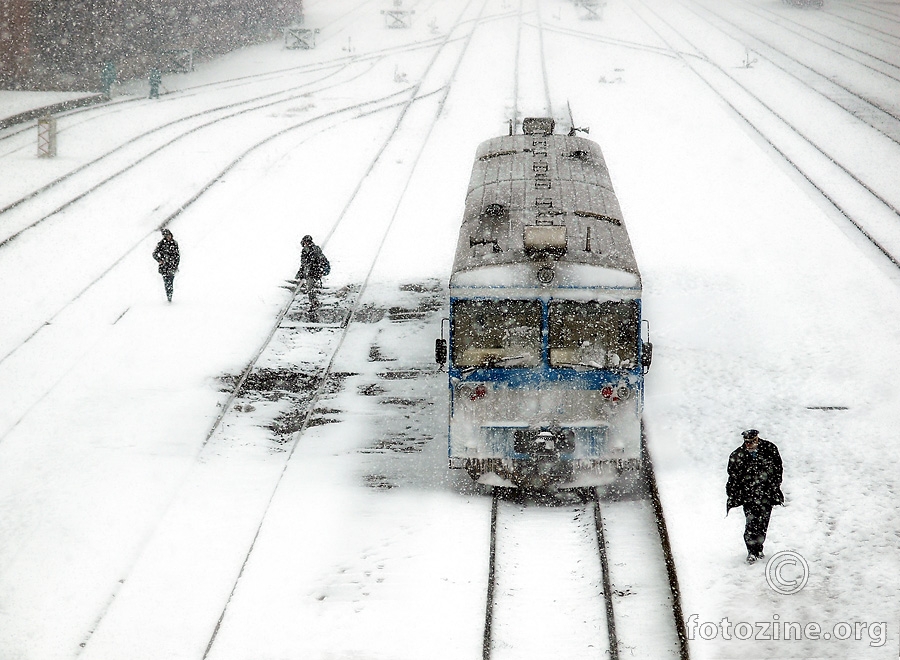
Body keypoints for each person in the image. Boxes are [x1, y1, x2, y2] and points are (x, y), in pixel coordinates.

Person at [726, 429, 784, 563]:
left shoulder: (769, 449)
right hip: (749, 496)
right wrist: (734, 494)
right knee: (751, 523)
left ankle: (759, 548)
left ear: (757, 439)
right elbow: (733, 477)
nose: (749, 445)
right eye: (747, 442)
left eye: (752, 441)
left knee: (763, 523)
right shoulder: (738, 455)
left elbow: (778, 469)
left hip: (766, 494)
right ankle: (752, 550)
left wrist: (773, 486)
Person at [296, 235, 329, 309]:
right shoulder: (304, 251)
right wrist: (300, 272)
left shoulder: (315, 249)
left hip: (314, 271)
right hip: (309, 272)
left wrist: (321, 270)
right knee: (309, 287)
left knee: (310, 287)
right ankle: (313, 301)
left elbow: (322, 259)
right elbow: (303, 263)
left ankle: (314, 302)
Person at [152, 229, 180, 302]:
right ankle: (168, 296)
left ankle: (170, 296)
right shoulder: (161, 244)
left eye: (169, 235)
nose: (168, 237)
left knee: (170, 282)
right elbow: (154, 254)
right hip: (164, 267)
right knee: (166, 282)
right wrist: (160, 260)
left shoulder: (174, 243)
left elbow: (177, 256)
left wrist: (176, 264)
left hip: (172, 266)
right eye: (166, 236)